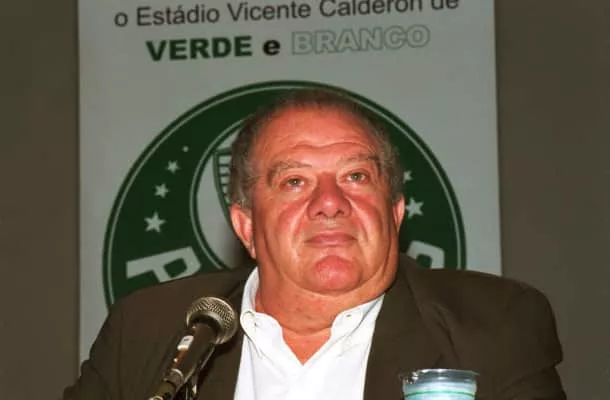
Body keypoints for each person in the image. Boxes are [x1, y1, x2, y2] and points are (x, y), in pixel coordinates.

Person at [63, 89, 566, 399]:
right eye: (294, 182)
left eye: (356, 176)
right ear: (245, 226)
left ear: (395, 213)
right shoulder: (150, 329)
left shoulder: (490, 325)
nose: (330, 202)